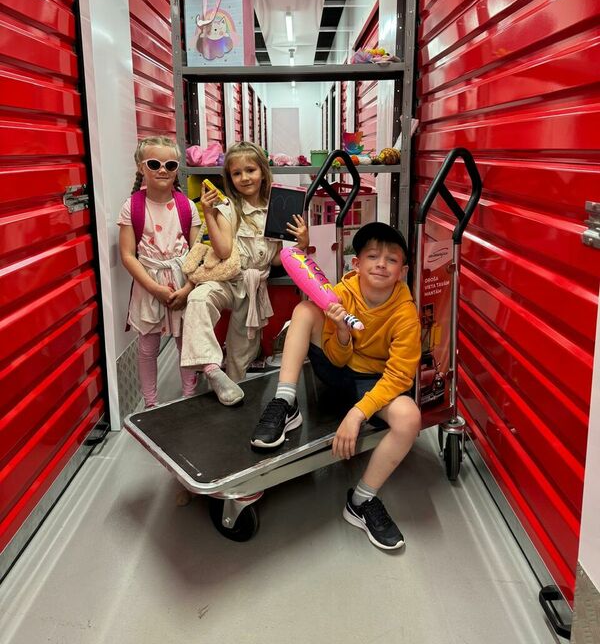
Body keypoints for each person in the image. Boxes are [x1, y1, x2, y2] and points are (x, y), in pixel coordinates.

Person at [251, 222, 421, 550]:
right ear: (356, 264)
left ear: (402, 271)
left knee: (409, 417)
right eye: (372, 256)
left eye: (391, 259)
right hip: (336, 369)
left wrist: (358, 414)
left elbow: (400, 376)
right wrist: (342, 332)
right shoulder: (341, 293)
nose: (381, 264)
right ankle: (285, 402)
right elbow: (336, 357)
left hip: (372, 384)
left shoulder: (405, 314)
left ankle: (361, 501)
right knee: (304, 310)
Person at [180, 141, 309, 406]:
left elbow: (275, 258)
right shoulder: (228, 207)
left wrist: (301, 244)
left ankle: (231, 392)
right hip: (225, 280)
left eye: (250, 170)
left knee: (241, 356)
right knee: (199, 298)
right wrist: (209, 214)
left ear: (262, 172)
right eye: (236, 173)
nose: (244, 178)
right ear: (230, 178)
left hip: (253, 289)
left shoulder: (277, 208)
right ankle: (211, 369)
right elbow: (224, 251)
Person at [118, 136, 202, 409]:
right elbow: (128, 255)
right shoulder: (132, 207)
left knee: (186, 344)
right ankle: (151, 403)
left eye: (170, 164)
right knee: (147, 348)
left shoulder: (187, 206)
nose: (163, 170)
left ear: (177, 168)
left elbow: (198, 253)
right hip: (148, 284)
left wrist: (188, 288)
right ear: (141, 167)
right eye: (154, 164)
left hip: (182, 282)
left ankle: (189, 396)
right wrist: (154, 289)